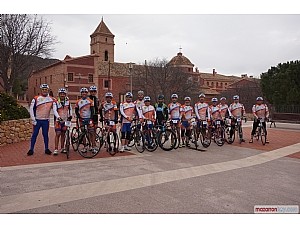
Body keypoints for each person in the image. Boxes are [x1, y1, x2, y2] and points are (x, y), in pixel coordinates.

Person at [27, 84, 59, 156]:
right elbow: (31, 109)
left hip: (46, 120)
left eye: (46, 89)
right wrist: (33, 119)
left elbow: (55, 108)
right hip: (37, 120)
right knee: (34, 134)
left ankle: (46, 149)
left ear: (48, 90)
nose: (45, 91)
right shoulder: (36, 98)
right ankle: (31, 149)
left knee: (45, 135)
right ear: (41, 90)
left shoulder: (51, 99)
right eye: (43, 89)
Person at [75, 87, 97, 153]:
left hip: (89, 119)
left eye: (85, 92)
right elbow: (76, 111)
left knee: (92, 132)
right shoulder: (78, 101)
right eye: (82, 92)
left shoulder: (90, 101)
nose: (84, 93)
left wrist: (91, 118)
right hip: (82, 119)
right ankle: (85, 147)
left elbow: (92, 110)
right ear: (81, 94)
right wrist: (79, 117)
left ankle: (93, 147)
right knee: (83, 133)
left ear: (87, 93)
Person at [52, 88, 72, 155]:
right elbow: (54, 110)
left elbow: (70, 109)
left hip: (65, 120)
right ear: (59, 94)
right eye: (61, 94)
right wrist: (58, 117)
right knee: (58, 134)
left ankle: (62, 148)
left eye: (63, 94)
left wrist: (70, 115)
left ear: (65, 94)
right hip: (58, 121)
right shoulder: (56, 102)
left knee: (63, 134)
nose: (62, 95)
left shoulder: (68, 102)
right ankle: (56, 149)